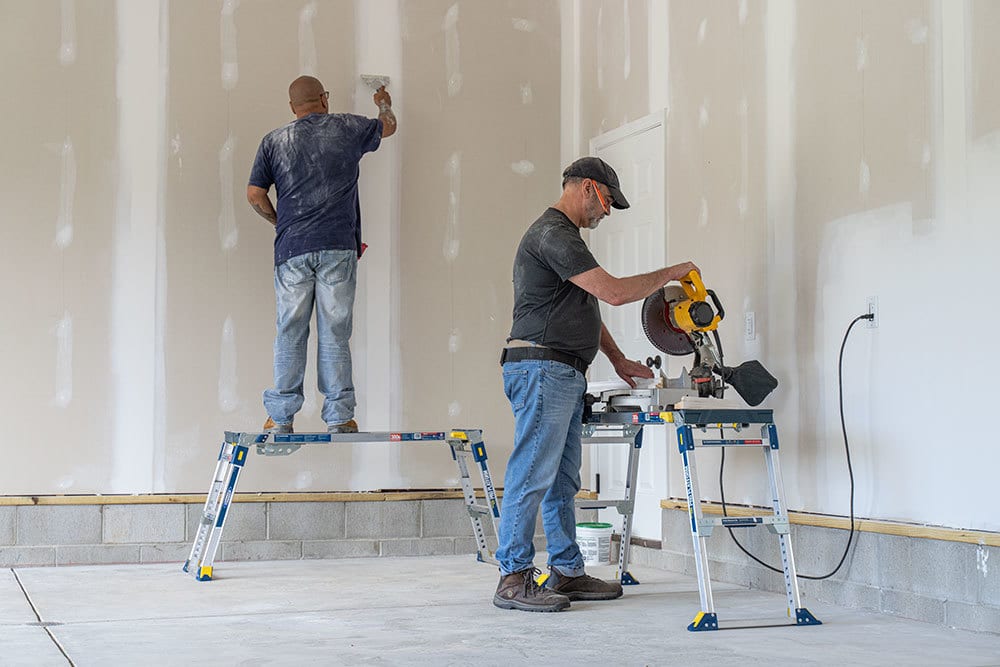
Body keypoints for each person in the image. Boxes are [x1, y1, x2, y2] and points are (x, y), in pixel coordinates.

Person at [494, 156, 700, 612]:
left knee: (562, 478)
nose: (606, 212)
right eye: (607, 201)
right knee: (532, 472)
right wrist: (672, 273)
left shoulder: (567, 241)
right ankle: (512, 577)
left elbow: (586, 305)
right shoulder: (554, 234)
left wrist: (618, 358)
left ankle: (566, 571)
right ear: (588, 187)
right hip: (542, 369)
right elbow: (614, 292)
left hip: (562, 371)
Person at [247, 75, 397, 434]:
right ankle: (339, 417)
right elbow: (388, 127)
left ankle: (280, 418)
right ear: (324, 99)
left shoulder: (274, 141)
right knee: (334, 330)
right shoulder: (347, 128)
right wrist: (383, 101)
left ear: (291, 107)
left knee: (290, 330)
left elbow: (254, 194)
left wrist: (279, 222)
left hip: (292, 250)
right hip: (336, 247)